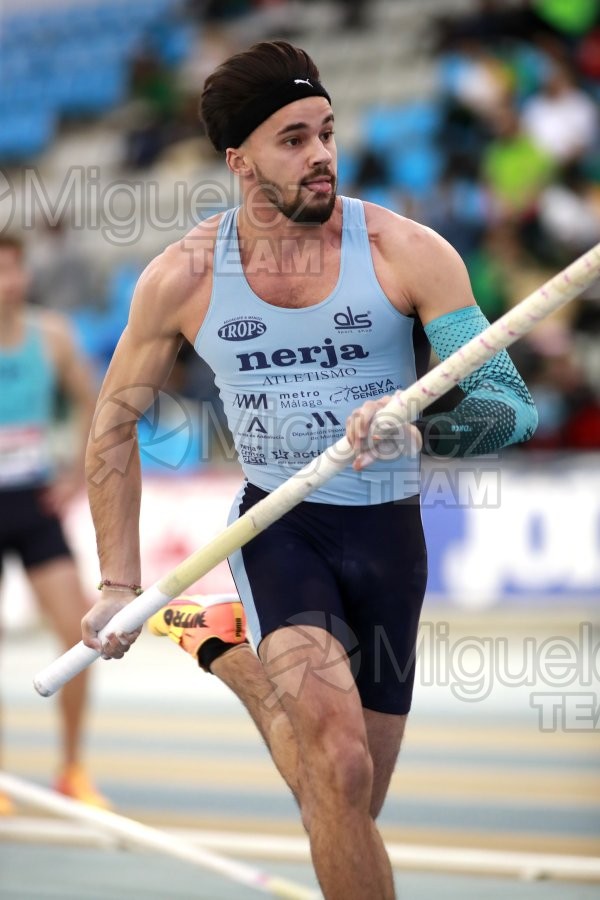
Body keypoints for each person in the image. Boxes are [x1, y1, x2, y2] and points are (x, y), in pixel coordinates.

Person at [81, 41, 538, 899]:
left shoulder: (407, 251)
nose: (321, 153)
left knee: (345, 797)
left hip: (387, 533)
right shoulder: (184, 277)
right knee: (335, 762)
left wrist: (422, 422)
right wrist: (117, 579)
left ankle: (225, 646)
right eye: (292, 139)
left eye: (326, 131)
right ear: (239, 159)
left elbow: (509, 407)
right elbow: (112, 428)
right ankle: (233, 630)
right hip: (278, 527)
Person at [0, 234, 108, 813]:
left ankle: (71, 768)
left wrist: (75, 473)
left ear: (23, 275)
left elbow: (95, 402)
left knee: (77, 634)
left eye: (11, 270)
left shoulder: (53, 336)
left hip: (35, 504)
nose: (5, 282)